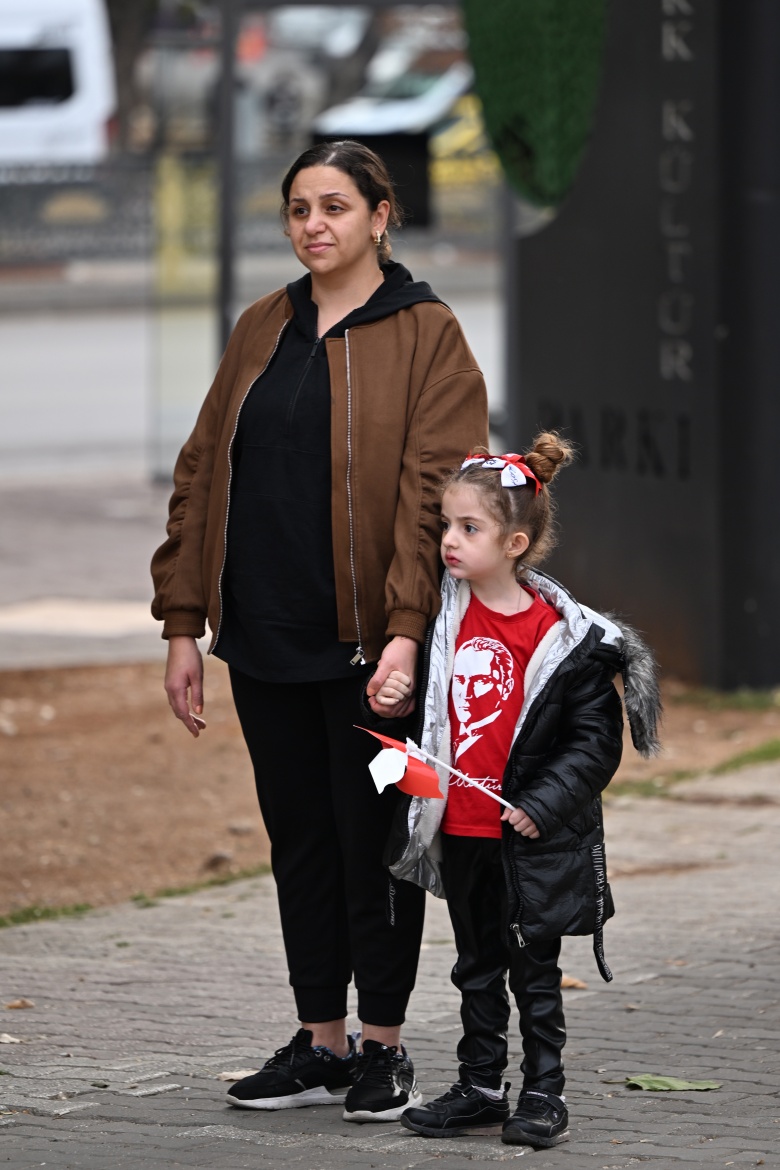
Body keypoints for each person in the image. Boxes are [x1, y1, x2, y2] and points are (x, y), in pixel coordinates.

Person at [150, 139, 488, 1123]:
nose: (314, 226)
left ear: (382, 216)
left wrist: (404, 632)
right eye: (299, 208)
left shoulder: (428, 334)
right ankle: (322, 1041)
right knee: (298, 840)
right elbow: (202, 472)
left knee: (378, 842)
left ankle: (383, 1046)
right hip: (264, 640)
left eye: (335, 206)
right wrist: (183, 622)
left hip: (374, 655)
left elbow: (440, 500)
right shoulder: (263, 324)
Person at [370, 436, 661, 1147]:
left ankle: (543, 1092)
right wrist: (395, 693)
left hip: (528, 837)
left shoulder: (567, 640)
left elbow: (594, 743)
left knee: (534, 972)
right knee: (474, 967)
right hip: (461, 826)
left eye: (469, 528)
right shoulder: (443, 617)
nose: (450, 540)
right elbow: (438, 710)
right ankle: (478, 1085)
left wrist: (541, 805)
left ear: (516, 541)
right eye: (446, 525)